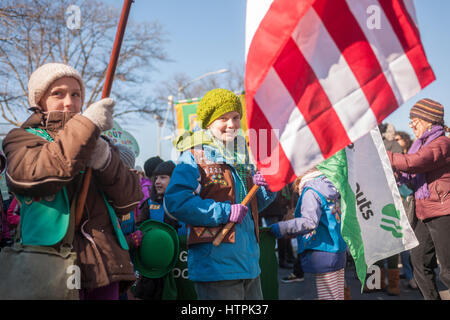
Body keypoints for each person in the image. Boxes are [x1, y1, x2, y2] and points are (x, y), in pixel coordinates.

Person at [2, 63, 143, 299]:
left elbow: (129, 199)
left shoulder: (99, 142)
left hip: (104, 264)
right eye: (58, 93)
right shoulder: (21, 138)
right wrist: (85, 128)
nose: (69, 102)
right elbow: (34, 174)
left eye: (76, 94)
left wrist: (104, 158)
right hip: (47, 261)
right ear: (39, 100)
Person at [164, 88, 276, 300]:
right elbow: (175, 203)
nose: (232, 124)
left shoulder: (242, 157)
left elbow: (251, 208)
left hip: (250, 265)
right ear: (209, 122)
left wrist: (266, 188)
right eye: (223, 118)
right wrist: (224, 212)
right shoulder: (193, 156)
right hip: (215, 267)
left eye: (236, 117)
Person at [386, 98, 450, 300]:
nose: (411, 124)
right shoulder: (419, 144)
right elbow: (410, 172)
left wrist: (383, 154)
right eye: (410, 119)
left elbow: (416, 162)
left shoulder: (442, 143)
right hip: (422, 212)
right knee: (419, 263)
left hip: (443, 212)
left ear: (429, 121)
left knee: (447, 271)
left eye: (415, 119)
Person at [269, 167, 347, 300]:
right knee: (337, 295)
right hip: (338, 249)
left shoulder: (311, 191)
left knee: (328, 296)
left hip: (323, 250)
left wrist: (281, 228)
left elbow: (309, 222)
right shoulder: (330, 186)